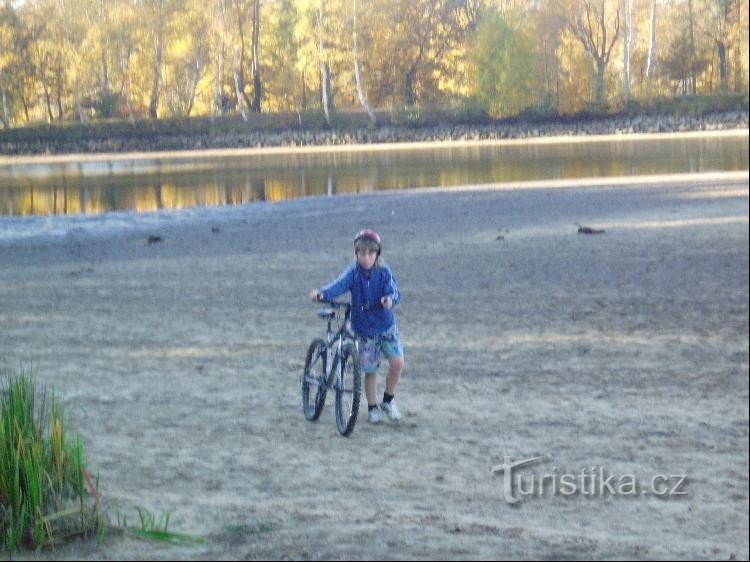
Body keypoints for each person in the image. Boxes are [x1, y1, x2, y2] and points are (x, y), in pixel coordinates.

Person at [309, 229, 405, 424]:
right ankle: (372, 407)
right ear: (356, 253)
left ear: (377, 254)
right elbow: (338, 285)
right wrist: (322, 293)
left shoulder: (384, 272)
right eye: (362, 253)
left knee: (397, 364)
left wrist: (389, 300)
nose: (366, 258)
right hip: (364, 328)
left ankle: (388, 400)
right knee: (370, 370)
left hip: (386, 326)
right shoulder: (353, 272)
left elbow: (395, 292)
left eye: (370, 253)